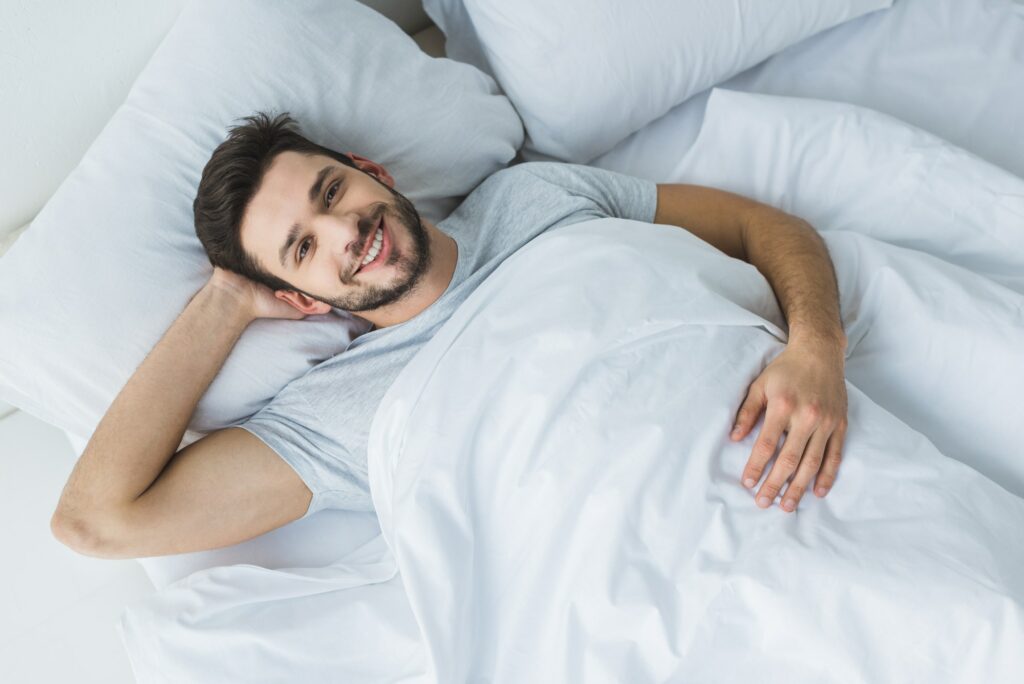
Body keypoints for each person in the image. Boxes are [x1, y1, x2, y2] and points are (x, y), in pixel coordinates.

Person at [50, 113, 848, 559]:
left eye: (332, 191)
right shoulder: (333, 416)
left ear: (371, 168)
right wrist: (222, 304)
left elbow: (757, 226)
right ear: (297, 294)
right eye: (303, 247)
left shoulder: (534, 193)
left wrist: (816, 347)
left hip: (809, 453)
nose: (342, 232)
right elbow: (94, 520)